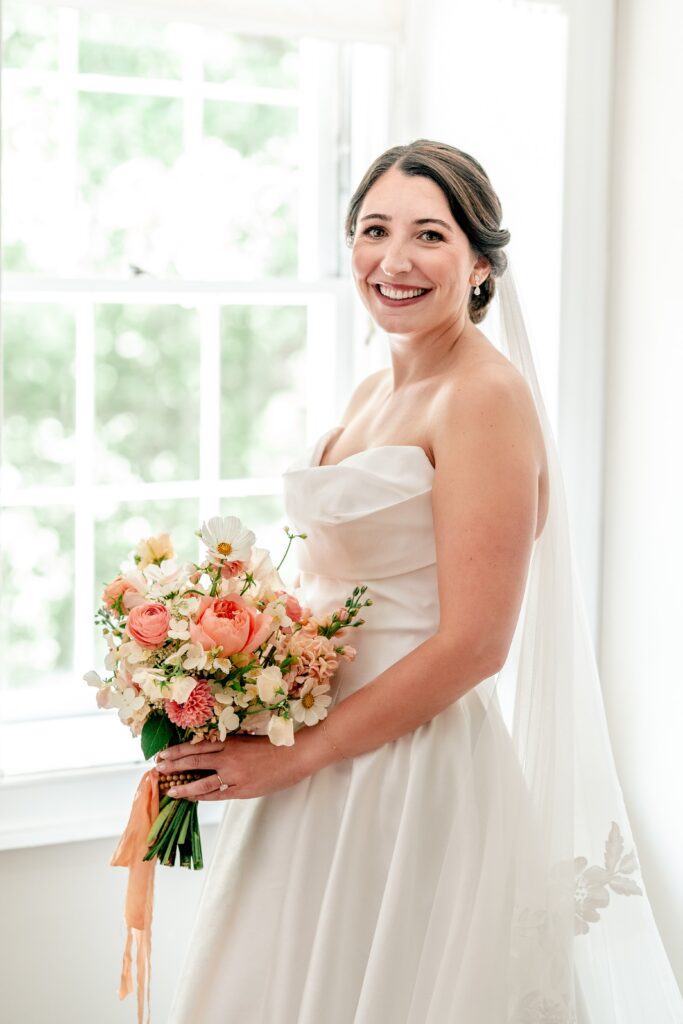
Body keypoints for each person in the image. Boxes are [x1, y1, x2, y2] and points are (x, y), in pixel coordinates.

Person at [162, 140, 683, 1022]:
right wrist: (233, 672)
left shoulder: (482, 396)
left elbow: (476, 643)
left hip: (402, 769)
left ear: (479, 262)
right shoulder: (373, 391)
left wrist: (297, 753)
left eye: (428, 235)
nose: (393, 260)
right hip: (314, 755)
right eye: (373, 230)